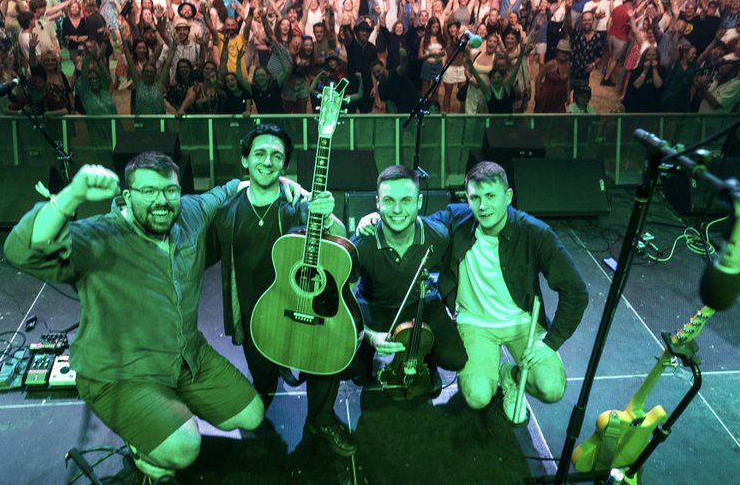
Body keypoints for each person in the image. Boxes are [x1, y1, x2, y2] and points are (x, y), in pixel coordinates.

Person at [4, 153, 299, 477]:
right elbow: (22, 250)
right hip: (120, 373)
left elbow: (224, 191)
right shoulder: (99, 236)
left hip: (186, 357)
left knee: (253, 415)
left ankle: (166, 410)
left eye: (169, 191)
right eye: (148, 191)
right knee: (185, 448)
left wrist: (278, 182)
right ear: (127, 197)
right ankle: (143, 444)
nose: (161, 201)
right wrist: (71, 194)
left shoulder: (188, 212)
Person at [359, 161, 588, 420]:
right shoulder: (457, 219)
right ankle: (493, 375)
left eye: (491, 196)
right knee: (478, 397)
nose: (482, 206)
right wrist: (377, 219)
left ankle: (509, 376)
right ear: (466, 198)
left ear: (508, 196)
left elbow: (576, 292)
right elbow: (409, 221)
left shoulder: (535, 233)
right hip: (475, 324)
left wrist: (550, 343)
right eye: (475, 197)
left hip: (522, 322)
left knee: (552, 388)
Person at [207, 124, 360, 456]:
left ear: (285, 166)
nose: (267, 161)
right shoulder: (226, 212)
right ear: (245, 160)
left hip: (304, 306)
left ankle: (320, 419)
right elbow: (197, 252)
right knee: (262, 384)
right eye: (259, 153)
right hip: (256, 317)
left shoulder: (297, 204)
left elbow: (340, 238)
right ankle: (264, 397)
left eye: (276, 156)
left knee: (327, 358)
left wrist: (328, 214)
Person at [352, 166, 466, 397]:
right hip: (374, 306)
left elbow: (471, 211)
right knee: (350, 369)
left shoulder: (438, 235)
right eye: (389, 200)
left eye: (406, 200)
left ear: (419, 201)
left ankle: (425, 357)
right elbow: (341, 300)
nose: (397, 209)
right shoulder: (361, 244)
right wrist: (371, 336)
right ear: (377, 202)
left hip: (420, 304)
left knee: (455, 358)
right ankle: (367, 356)